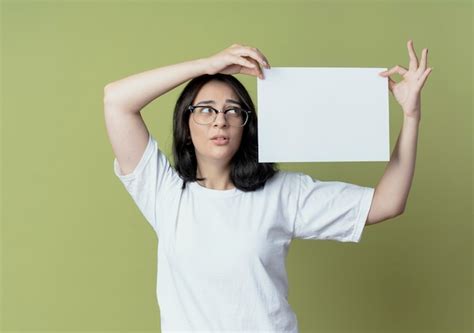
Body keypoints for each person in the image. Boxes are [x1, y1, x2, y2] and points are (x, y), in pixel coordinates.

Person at [104, 41, 430, 332]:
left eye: (233, 110)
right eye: (206, 110)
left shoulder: (282, 193)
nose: (220, 120)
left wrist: (411, 117)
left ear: (246, 126)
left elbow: (387, 202)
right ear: (186, 126)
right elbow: (117, 100)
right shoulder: (165, 192)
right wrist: (206, 66)